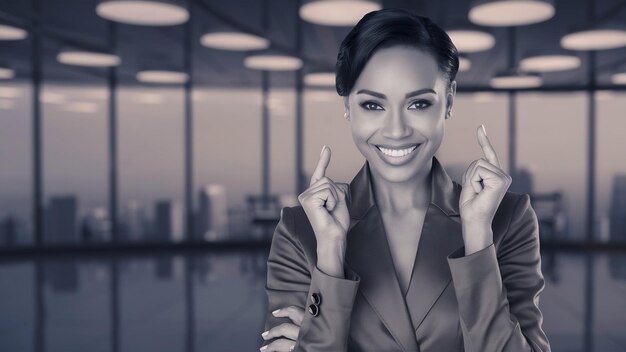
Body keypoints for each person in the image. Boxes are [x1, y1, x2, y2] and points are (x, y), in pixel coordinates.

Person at [260, 8, 551, 352]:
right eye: (372, 105)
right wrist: (329, 258)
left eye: (418, 104)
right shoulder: (300, 230)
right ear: (347, 107)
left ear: (449, 100)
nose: (396, 130)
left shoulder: (507, 218)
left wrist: (477, 242)